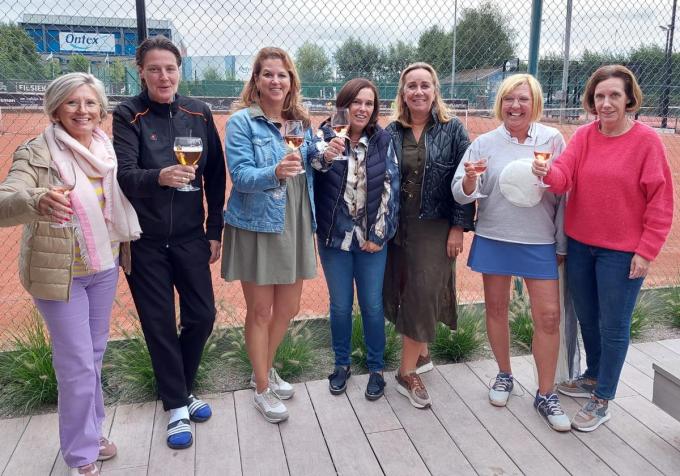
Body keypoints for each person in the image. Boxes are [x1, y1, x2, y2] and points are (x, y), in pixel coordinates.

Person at [0, 73, 141, 476]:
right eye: (72, 103)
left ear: (101, 109)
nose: (83, 111)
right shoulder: (37, 152)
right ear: (56, 108)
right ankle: (81, 454)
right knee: (76, 363)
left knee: (93, 357)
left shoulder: (107, 149)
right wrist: (36, 199)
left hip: (104, 265)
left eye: (90, 103)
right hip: (58, 273)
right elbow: (4, 199)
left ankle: (92, 431)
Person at [533, 65, 674, 432]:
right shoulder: (583, 136)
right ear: (591, 101)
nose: (606, 103)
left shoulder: (646, 142)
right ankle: (593, 375)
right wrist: (546, 173)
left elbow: (660, 201)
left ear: (629, 99)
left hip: (622, 253)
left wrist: (645, 251)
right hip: (581, 245)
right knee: (587, 318)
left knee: (613, 326)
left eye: (614, 95)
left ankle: (603, 398)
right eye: (599, 96)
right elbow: (564, 175)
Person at [112, 36, 226, 449]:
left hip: (191, 237)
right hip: (145, 241)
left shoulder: (199, 111)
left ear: (181, 70)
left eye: (170, 68)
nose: (163, 76)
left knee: (203, 316)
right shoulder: (128, 114)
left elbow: (214, 175)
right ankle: (177, 405)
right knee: (158, 323)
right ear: (141, 71)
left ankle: (179, 387)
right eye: (155, 69)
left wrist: (215, 230)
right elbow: (124, 175)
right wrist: (158, 177)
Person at [452, 74, 571, 432]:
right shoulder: (484, 143)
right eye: (508, 99)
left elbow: (565, 195)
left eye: (522, 99)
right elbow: (460, 191)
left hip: (539, 242)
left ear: (534, 103)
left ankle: (546, 393)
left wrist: (561, 243)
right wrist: (471, 181)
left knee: (549, 317)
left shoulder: (552, 139)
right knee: (497, 308)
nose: (515, 106)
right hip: (495, 235)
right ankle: (504, 374)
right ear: (500, 103)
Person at [222, 47, 317, 423]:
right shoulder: (242, 123)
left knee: (289, 307)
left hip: (295, 219)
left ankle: (263, 367)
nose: (275, 81)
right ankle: (261, 386)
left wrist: (325, 154)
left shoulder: (299, 122)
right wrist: (274, 172)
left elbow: (308, 164)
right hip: (259, 222)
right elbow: (241, 177)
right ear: (256, 81)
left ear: (291, 81)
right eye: (268, 75)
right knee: (261, 310)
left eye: (282, 75)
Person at [383, 62, 474, 408]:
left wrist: (458, 226)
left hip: (435, 226)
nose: (418, 92)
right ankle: (420, 354)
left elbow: (468, 182)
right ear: (403, 93)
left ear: (435, 90)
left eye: (425, 85)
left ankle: (405, 373)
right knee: (401, 287)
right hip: (396, 226)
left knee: (422, 292)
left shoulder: (453, 131)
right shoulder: (390, 132)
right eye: (412, 86)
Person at [313, 78, 399, 400]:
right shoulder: (324, 135)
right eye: (356, 102)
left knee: (372, 305)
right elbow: (315, 166)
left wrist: (379, 234)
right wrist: (327, 154)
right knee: (339, 305)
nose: (362, 109)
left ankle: (376, 369)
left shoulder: (383, 139)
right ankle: (341, 364)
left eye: (369, 103)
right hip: (335, 237)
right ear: (343, 105)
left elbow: (390, 185)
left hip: (371, 240)